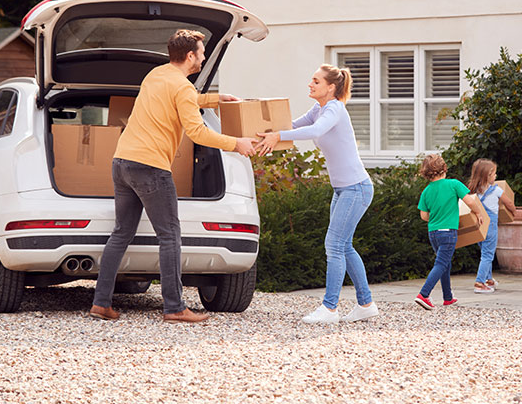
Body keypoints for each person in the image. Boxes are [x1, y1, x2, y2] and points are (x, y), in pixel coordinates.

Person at [90, 29, 256, 324]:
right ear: (190, 56)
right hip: (151, 167)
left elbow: (182, 98)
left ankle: (101, 303)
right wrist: (236, 143)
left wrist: (215, 99)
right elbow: (197, 132)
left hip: (122, 162)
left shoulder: (156, 75)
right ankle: (174, 307)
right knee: (169, 236)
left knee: (121, 233)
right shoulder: (182, 88)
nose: (204, 57)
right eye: (202, 53)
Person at [255, 64, 377, 324]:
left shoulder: (334, 108)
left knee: (334, 245)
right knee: (344, 246)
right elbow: (295, 125)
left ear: (330, 87)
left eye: (316, 81)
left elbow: (314, 131)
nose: (310, 84)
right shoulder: (319, 108)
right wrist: (268, 132)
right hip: (344, 189)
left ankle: (330, 308)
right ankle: (365, 304)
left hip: (357, 189)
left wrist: (279, 135)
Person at [415, 154, 482, 309]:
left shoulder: (426, 191)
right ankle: (424, 295)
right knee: (441, 263)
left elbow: (424, 216)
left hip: (433, 233)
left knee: (445, 263)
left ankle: (448, 297)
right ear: (444, 168)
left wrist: (437, 215)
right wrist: (478, 213)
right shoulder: (453, 184)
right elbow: (470, 201)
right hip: (448, 232)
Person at [467, 158, 516, 293]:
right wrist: (514, 212)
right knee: (488, 254)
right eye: (494, 173)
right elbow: (509, 204)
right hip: (491, 225)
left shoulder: (472, 190)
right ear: (487, 175)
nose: (496, 176)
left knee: (484, 252)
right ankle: (479, 282)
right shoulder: (496, 191)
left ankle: (488, 279)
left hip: (478, 226)